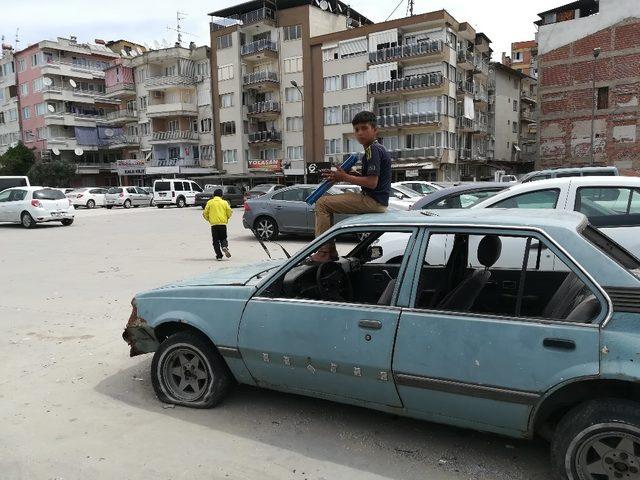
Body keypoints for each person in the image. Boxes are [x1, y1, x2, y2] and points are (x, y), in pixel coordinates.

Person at [311, 110, 391, 262]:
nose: (360, 133)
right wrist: (352, 175)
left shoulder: (373, 150)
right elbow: (371, 180)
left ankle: (323, 252)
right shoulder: (373, 150)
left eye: (364, 128)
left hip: (373, 201)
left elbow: (372, 183)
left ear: (375, 130)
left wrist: (344, 176)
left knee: (322, 204)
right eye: (356, 129)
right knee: (326, 203)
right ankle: (331, 251)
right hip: (375, 199)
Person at [203, 188, 232, 261]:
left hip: (214, 224)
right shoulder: (224, 202)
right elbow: (229, 211)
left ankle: (219, 255)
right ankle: (224, 246)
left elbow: (205, 213)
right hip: (222, 224)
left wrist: (209, 219)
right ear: (221, 195)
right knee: (223, 238)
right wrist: (227, 218)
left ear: (214, 195)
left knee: (215, 241)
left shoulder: (210, 202)